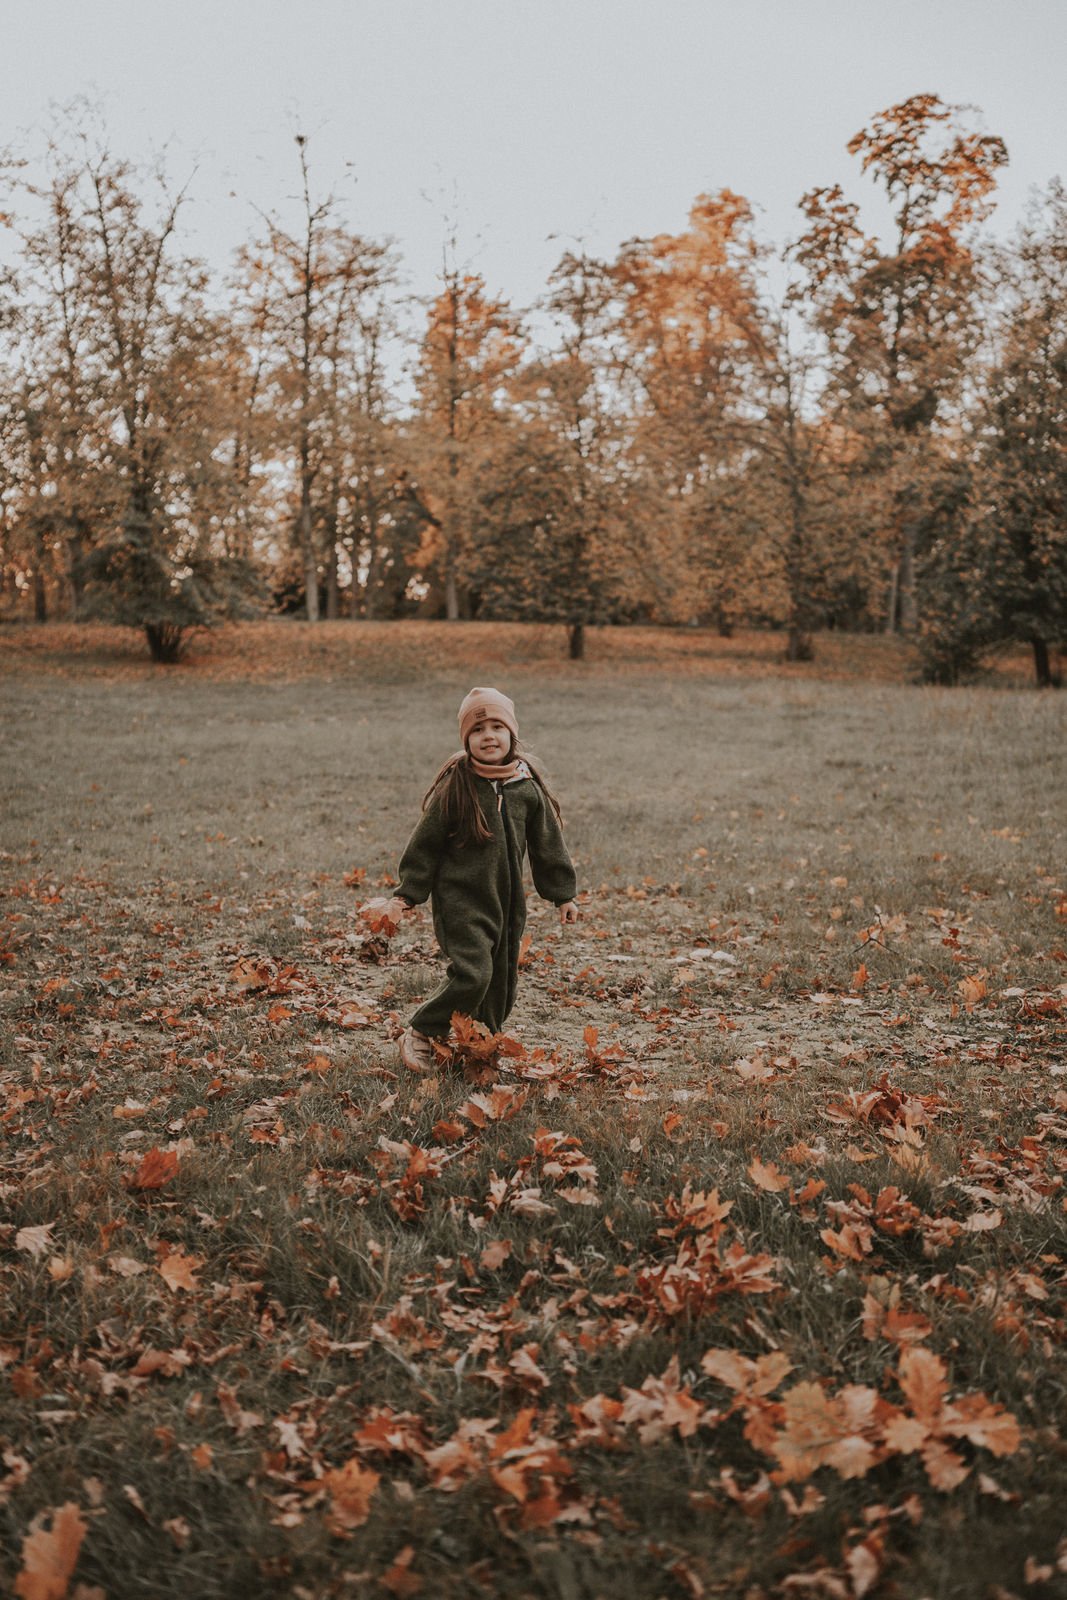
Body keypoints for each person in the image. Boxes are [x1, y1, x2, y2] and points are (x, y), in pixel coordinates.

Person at [384, 687, 579, 1072]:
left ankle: (480, 1041)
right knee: (474, 974)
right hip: (461, 902)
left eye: (496, 727)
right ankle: (422, 1029)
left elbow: (547, 845)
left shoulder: (526, 788)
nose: (488, 735)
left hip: (507, 904)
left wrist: (563, 895)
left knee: (501, 981)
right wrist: (407, 894)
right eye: (477, 730)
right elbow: (424, 845)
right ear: (466, 740)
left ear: (511, 734)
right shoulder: (456, 786)